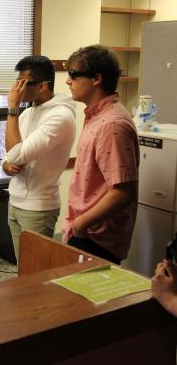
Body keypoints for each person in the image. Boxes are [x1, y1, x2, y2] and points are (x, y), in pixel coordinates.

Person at [62, 45, 139, 265]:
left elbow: (123, 191)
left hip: (96, 237)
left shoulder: (112, 124)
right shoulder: (97, 116)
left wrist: (81, 225)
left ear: (96, 78)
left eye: (74, 75)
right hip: (85, 230)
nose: (68, 81)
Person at [2, 55, 76, 261]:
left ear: (43, 86)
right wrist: (5, 164)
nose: (16, 89)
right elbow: (8, 152)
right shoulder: (28, 112)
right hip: (15, 199)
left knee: (34, 271)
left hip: (38, 206)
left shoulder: (60, 116)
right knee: (21, 268)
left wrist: (12, 109)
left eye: (22, 83)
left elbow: (16, 154)